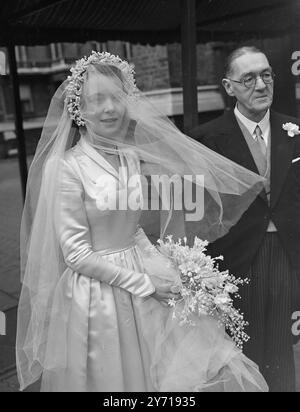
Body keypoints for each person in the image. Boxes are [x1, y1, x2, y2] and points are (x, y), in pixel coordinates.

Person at [16, 52, 268, 392]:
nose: (109, 109)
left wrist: (169, 265)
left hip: (142, 273)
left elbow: (132, 228)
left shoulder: (130, 157)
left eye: (117, 98)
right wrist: (146, 284)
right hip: (97, 295)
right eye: (96, 100)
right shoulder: (66, 168)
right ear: (79, 109)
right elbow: (75, 254)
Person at [191, 46, 300, 392]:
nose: (261, 84)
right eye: (248, 78)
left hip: (287, 257)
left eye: (266, 74)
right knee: (241, 353)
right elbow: (199, 213)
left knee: (284, 349)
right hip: (236, 260)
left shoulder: (295, 130)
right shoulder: (205, 139)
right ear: (229, 86)